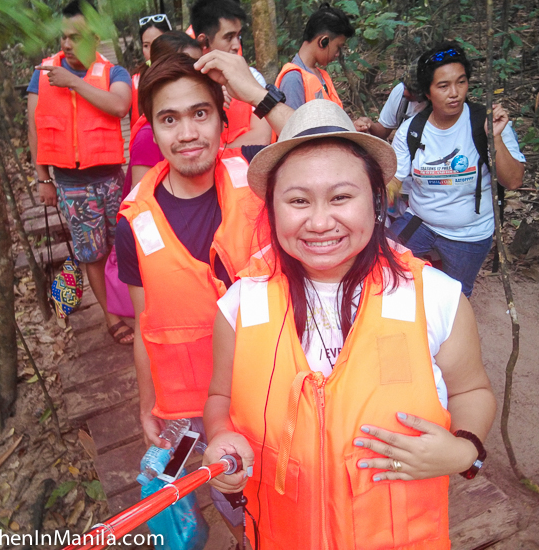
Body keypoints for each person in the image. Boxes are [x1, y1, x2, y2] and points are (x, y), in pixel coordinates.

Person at [202, 99, 497, 549]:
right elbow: (220, 396)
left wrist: (465, 450)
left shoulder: (435, 298)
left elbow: (472, 390)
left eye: (341, 197)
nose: (320, 222)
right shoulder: (242, 304)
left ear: (377, 201)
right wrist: (222, 436)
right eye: (298, 201)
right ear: (273, 209)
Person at [115, 53, 268, 542]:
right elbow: (145, 323)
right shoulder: (134, 219)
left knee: (277, 487)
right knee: (228, 494)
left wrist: (259, 93)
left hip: (268, 385)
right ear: (152, 133)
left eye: (200, 113)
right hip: (188, 405)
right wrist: (148, 406)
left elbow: (346, 156)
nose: (187, 133)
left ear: (224, 118)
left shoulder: (260, 179)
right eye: (169, 118)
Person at [27, 0, 134, 344]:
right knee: (92, 253)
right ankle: (111, 316)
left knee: (125, 247)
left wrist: (74, 84)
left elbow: (120, 106)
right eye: (64, 37)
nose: (67, 44)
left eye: (75, 37)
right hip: (71, 184)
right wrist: (43, 179)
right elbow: (35, 128)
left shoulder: (111, 72)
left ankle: (134, 303)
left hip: (111, 179)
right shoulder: (43, 74)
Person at [389, 42, 525, 297]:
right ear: (428, 93)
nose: (454, 93)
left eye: (460, 82)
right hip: (421, 221)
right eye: (443, 86)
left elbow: (514, 181)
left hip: (469, 232)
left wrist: (493, 138)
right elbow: (394, 180)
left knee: (455, 299)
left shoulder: (485, 123)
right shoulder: (412, 130)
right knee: (386, 268)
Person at [126, 32, 203, 194]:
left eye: (200, 69)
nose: (199, 78)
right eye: (188, 68)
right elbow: (142, 201)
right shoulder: (147, 138)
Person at [191, 0, 272, 147]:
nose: (236, 45)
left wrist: (216, 152)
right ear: (203, 42)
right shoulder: (186, 82)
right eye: (229, 37)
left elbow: (261, 137)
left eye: (238, 36)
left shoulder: (252, 77)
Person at [276, 3, 355, 110]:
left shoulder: (320, 75)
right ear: (323, 41)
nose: (338, 54)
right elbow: (292, 125)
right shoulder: (293, 79)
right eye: (338, 47)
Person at [354, 59, 427, 140]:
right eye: (405, 86)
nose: (405, 92)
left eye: (411, 91)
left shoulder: (438, 105)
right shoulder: (400, 91)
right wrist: (370, 124)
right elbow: (383, 130)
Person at [131, 14, 171, 119]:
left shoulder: (185, 72)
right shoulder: (136, 79)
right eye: (146, 45)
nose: (152, 50)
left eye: (157, 43)